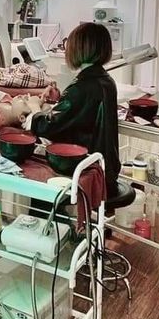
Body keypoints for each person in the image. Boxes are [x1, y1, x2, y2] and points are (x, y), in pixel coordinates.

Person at [24, 22, 120, 197]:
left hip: (87, 168)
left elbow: (47, 127)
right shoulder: (106, 80)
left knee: (35, 176)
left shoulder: (81, 87)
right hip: (107, 167)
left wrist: (34, 108)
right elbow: (82, 111)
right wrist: (61, 99)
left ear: (78, 48)